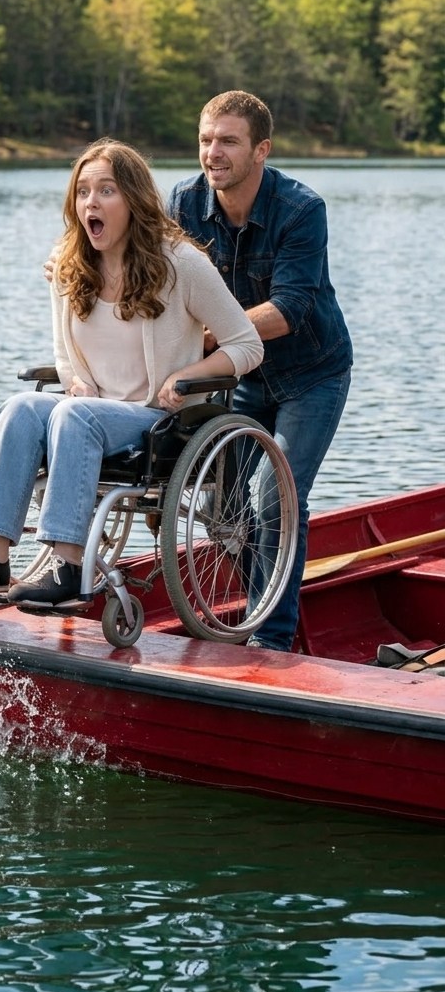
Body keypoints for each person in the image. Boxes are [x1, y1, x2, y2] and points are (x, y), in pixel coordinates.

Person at [0, 138, 263, 607]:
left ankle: (67, 563)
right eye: (83, 192)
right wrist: (74, 380)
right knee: (19, 408)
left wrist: (187, 374)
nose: (91, 202)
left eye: (106, 190)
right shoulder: (69, 264)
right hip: (89, 411)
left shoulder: (181, 264)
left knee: (73, 415)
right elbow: (63, 352)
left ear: (134, 199)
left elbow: (247, 345)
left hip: (157, 419)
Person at [166, 90, 353, 651]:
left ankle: (272, 639)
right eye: (205, 140)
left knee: (277, 497)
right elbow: (154, 279)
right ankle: (265, 594)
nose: (213, 152)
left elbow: (289, 309)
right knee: (217, 502)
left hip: (311, 375)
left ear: (262, 149)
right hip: (240, 377)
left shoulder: (301, 209)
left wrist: (212, 335)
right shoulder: (183, 203)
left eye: (228, 141)